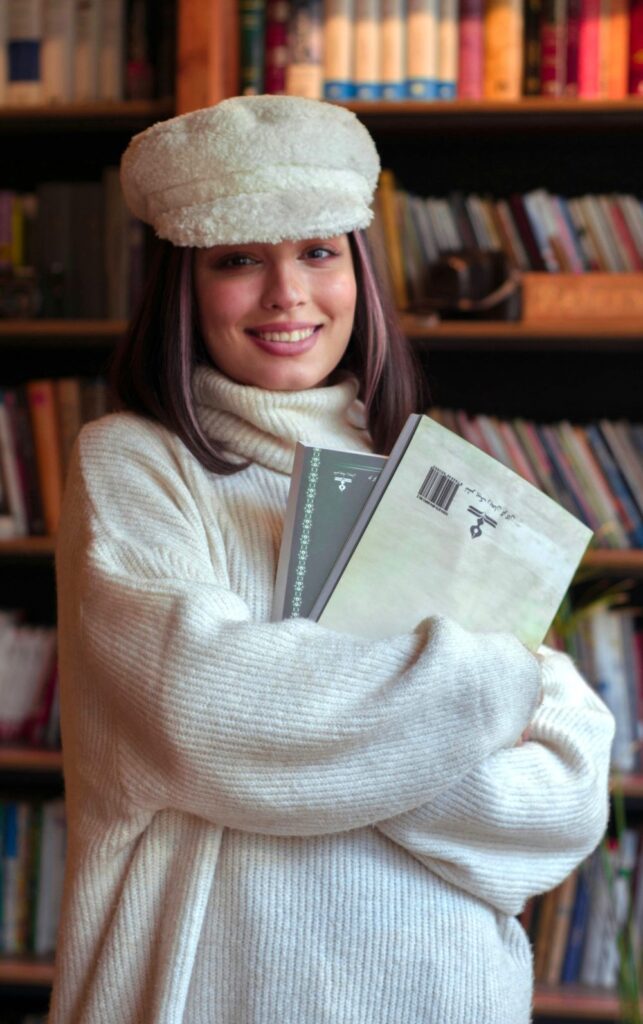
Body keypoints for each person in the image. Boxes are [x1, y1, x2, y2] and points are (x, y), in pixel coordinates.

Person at [51, 95, 614, 1024]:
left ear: (358, 269)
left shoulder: (436, 485)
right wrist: (483, 688)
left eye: (317, 251)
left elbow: (567, 795)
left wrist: (332, 754)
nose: (287, 294)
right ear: (183, 285)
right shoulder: (134, 463)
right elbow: (205, 711)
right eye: (239, 259)